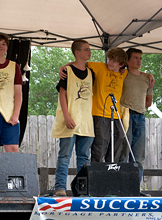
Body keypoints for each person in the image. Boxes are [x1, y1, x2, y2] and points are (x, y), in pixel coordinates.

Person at [60, 48, 128, 162]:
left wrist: (149, 76)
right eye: (110, 59)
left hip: (116, 115)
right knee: (100, 144)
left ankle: (111, 171)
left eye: (114, 61)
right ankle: (96, 171)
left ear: (121, 64)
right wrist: (63, 67)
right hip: (99, 113)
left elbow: (136, 72)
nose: (110, 62)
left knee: (118, 141)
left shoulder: (124, 73)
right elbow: (79, 63)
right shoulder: (99, 67)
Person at [52, 39, 95, 196]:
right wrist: (67, 116)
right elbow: (62, 94)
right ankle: (60, 187)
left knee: (84, 158)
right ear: (77, 52)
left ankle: (82, 190)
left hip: (86, 122)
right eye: (86, 49)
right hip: (69, 120)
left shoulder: (92, 73)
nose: (89, 52)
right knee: (64, 156)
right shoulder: (67, 72)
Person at [119, 48, 153, 183]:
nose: (139, 61)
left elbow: (149, 102)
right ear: (127, 60)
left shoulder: (147, 78)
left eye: (140, 58)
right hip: (125, 116)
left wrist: (139, 106)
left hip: (141, 116)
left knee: (138, 156)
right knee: (124, 153)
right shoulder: (122, 75)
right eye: (135, 58)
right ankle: (121, 187)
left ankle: (135, 188)